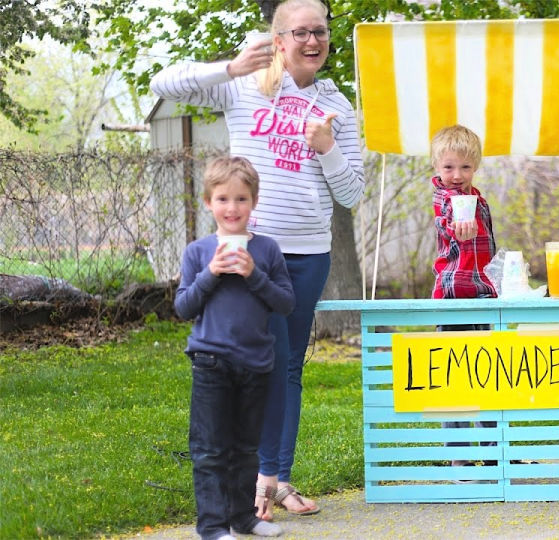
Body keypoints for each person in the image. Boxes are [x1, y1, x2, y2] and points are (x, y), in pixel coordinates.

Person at [151, 0, 365, 519]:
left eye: (320, 31)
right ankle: (246, 485)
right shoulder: (243, 82)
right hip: (249, 251)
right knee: (246, 364)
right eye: (300, 32)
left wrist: (327, 148)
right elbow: (163, 83)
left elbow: (352, 192)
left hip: (308, 254)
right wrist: (227, 67)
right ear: (278, 38)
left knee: (288, 367)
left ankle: (277, 480)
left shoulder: (339, 107)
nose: (312, 42)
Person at [174, 156, 295, 540]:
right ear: (208, 202)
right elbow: (183, 307)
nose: (232, 208)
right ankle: (211, 526)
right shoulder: (197, 252)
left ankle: (243, 518)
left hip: (256, 362)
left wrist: (252, 274)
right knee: (211, 450)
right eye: (223, 199)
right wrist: (211, 273)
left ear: (253, 203)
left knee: (246, 448)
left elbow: (285, 303)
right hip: (210, 362)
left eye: (241, 199)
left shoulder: (268, 251)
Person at [429, 124, 498, 467]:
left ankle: (492, 451)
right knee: (455, 377)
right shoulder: (444, 198)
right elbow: (446, 221)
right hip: (453, 296)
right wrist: (458, 226)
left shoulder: (479, 199)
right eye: (448, 167)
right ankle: (460, 457)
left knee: (487, 374)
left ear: (476, 166)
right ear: (436, 167)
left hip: (482, 296)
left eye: (465, 167)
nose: (456, 175)